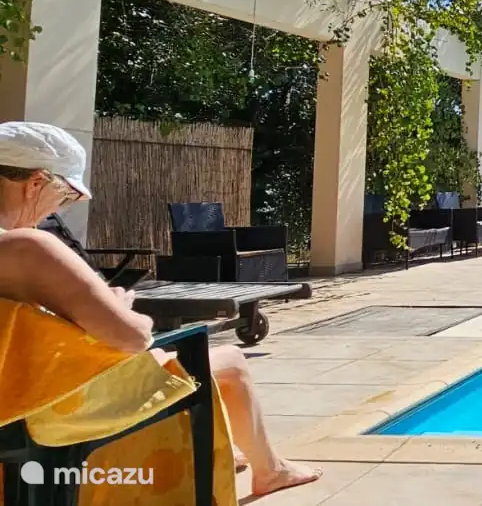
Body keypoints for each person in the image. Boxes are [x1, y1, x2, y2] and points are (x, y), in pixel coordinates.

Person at [0, 121, 320, 497]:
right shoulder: (27, 248)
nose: (59, 209)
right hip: (49, 409)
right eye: (65, 195)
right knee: (228, 360)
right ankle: (272, 470)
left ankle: (225, 450)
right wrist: (119, 305)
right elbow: (134, 337)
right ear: (36, 182)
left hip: (12, 399)